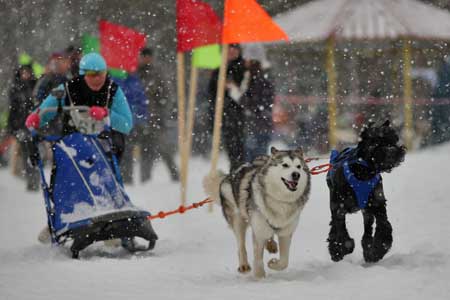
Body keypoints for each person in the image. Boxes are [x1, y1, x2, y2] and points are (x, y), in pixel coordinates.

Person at [25, 53, 133, 157]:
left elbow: (127, 124)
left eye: (101, 74)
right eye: (91, 74)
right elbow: (48, 107)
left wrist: (106, 114)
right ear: (82, 74)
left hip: (105, 148)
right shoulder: (69, 88)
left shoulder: (113, 90)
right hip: (72, 146)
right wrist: (37, 117)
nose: (97, 79)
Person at [137, 47, 179, 182]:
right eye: (144, 57)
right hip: (142, 118)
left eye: (148, 57)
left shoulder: (157, 73)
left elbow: (166, 95)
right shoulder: (136, 73)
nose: (146, 59)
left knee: (164, 148)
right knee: (146, 150)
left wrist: (161, 114)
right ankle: (145, 179)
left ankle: (175, 176)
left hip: (156, 117)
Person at [208, 43, 247, 171]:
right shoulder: (220, 69)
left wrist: (233, 87)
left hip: (240, 115)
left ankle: (238, 171)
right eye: (229, 49)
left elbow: (246, 93)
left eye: (234, 49)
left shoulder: (244, 68)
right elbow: (211, 93)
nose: (231, 52)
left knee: (241, 149)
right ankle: (234, 171)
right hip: (224, 115)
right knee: (231, 148)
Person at [113, 72, 151, 184]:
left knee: (131, 150)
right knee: (124, 151)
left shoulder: (133, 80)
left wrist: (140, 118)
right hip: (120, 123)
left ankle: (140, 178)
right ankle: (126, 178)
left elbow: (141, 101)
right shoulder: (117, 80)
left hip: (132, 123)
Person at [7, 64, 39, 191]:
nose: (26, 75)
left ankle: (34, 178)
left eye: (27, 72)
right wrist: (12, 127)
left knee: (33, 153)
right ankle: (30, 179)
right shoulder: (16, 89)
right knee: (25, 153)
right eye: (23, 72)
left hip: (32, 125)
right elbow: (13, 110)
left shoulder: (34, 86)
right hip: (21, 126)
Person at [241, 59, 274, 162]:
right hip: (264, 125)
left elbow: (249, 104)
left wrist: (236, 92)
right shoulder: (266, 82)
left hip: (254, 125)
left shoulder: (252, 83)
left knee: (252, 159)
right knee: (260, 158)